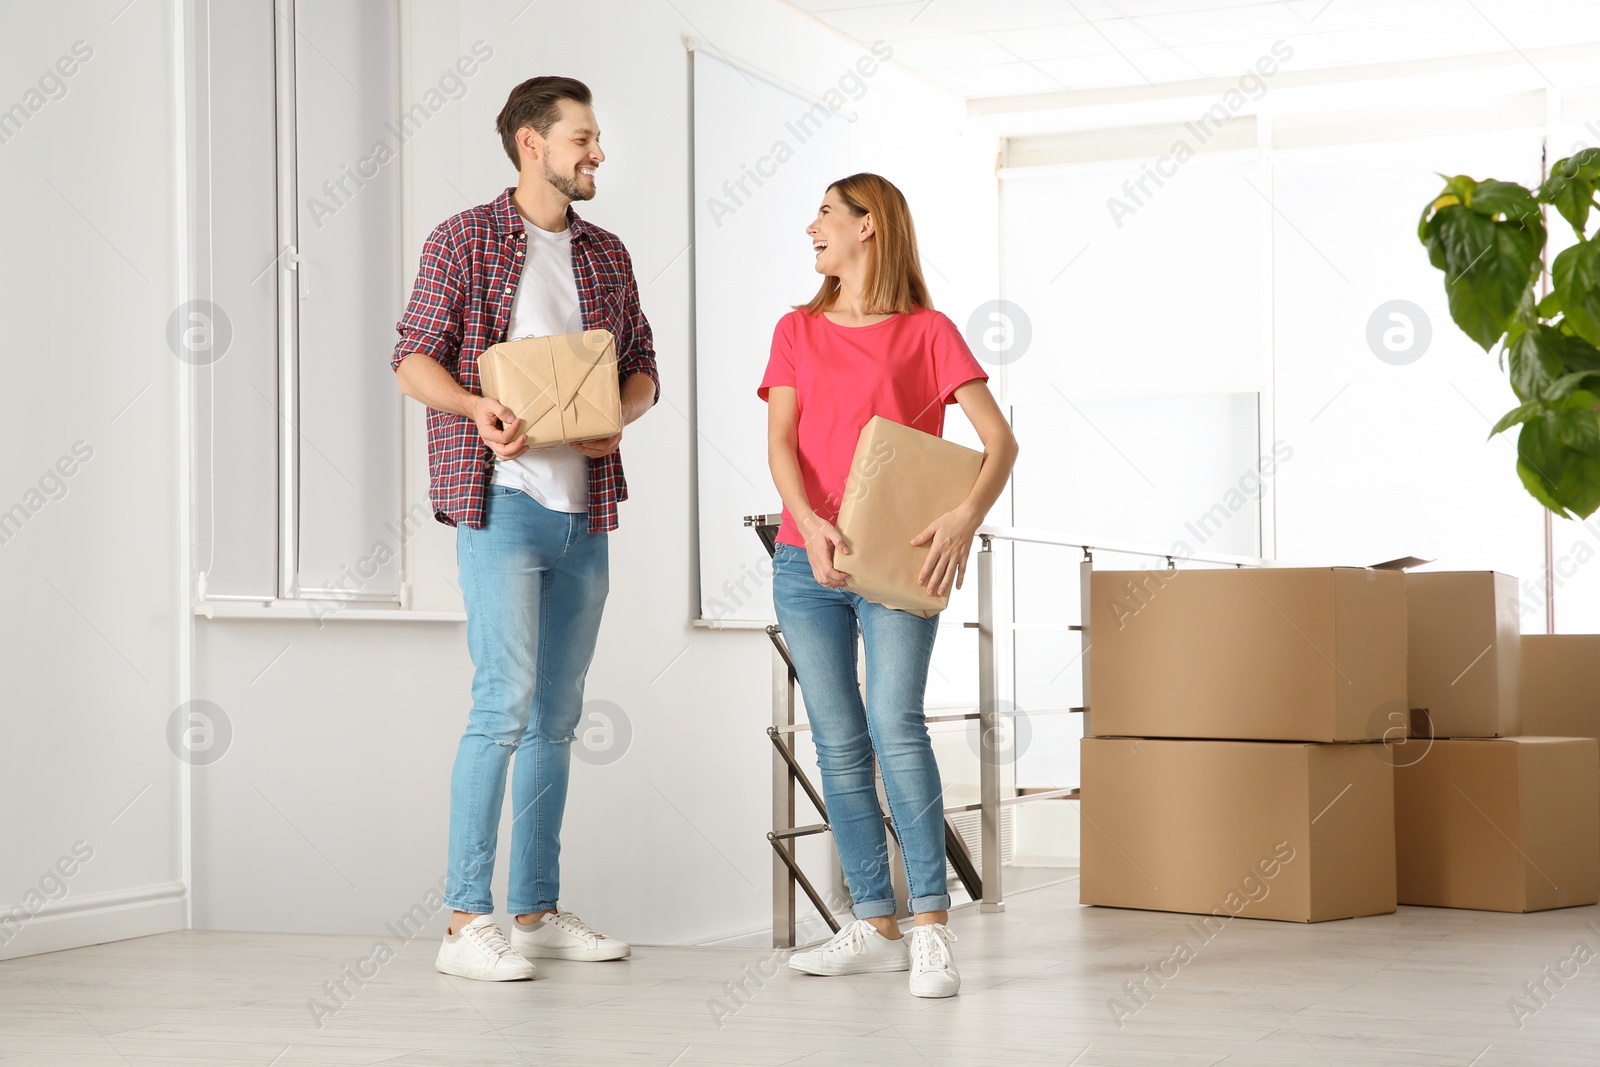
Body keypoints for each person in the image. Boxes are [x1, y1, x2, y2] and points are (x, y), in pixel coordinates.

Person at [392, 75, 659, 981]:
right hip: (501, 503)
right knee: (501, 706)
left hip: (585, 513)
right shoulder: (465, 238)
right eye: (582, 138)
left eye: (596, 138)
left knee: (556, 716)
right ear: (530, 144)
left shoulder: (608, 255)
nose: (597, 154)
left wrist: (619, 414)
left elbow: (644, 368)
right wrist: (477, 409)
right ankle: (466, 922)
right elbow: (410, 358)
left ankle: (534, 911)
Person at [759, 173, 1019, 998]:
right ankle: (871, 920)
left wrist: (963, 518)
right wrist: (809, 518)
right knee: (836, 741)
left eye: (827, 214)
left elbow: (998, 441)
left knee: (894, 724)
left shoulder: (928, 331)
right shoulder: (796, 328)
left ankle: (931, 929)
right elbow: (782, 446)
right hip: (808, 562)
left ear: (870, 227)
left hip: (899, 557)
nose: (813, 227)